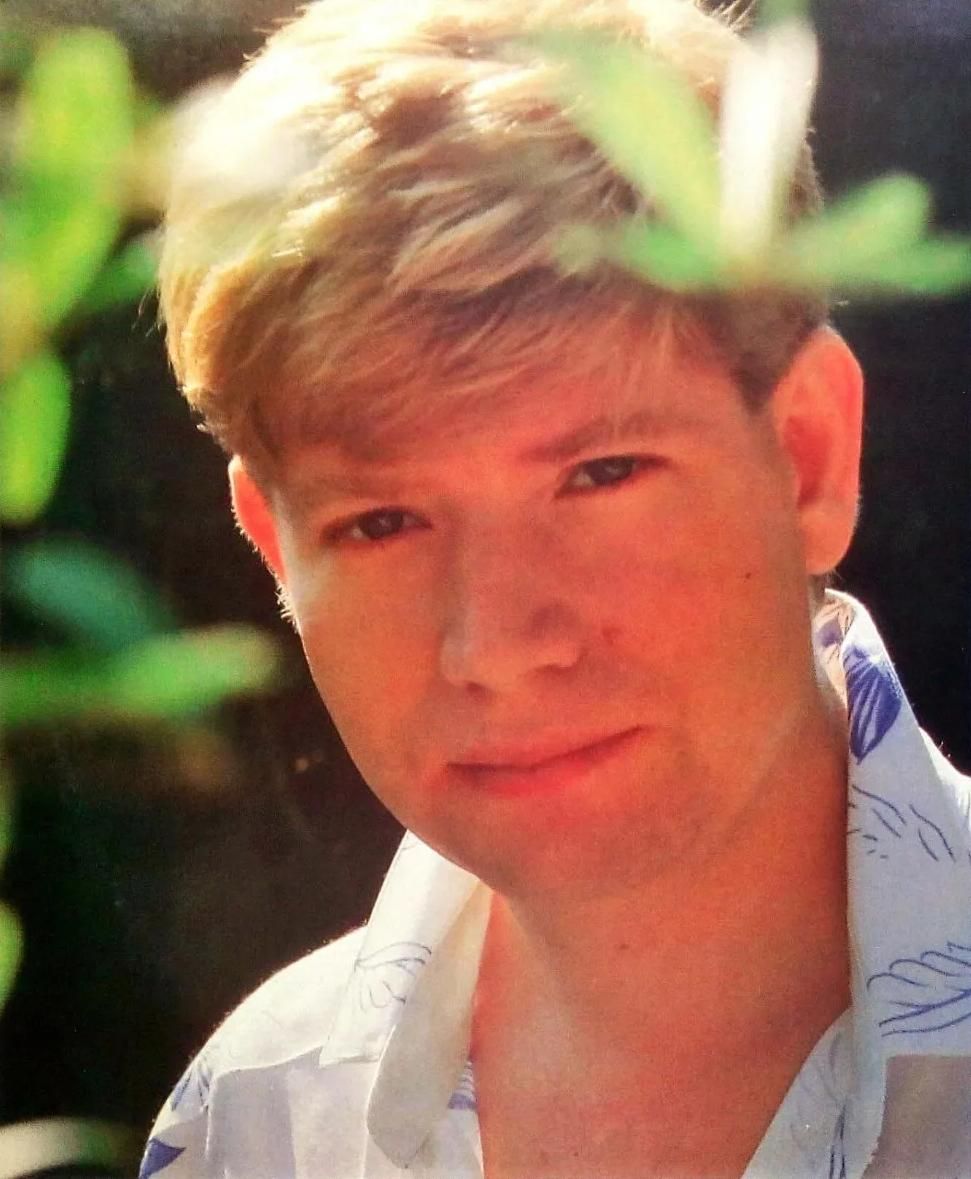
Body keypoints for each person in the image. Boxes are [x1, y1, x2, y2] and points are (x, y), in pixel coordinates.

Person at [140, 0, 971, 1175]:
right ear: (275, 551)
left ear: (805, 457)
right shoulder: (255, 1120)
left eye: (599, 474)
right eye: (380, 522)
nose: (493, 644)